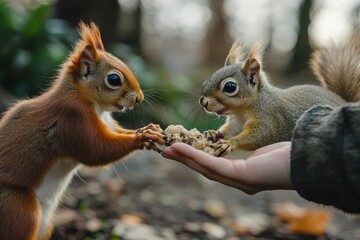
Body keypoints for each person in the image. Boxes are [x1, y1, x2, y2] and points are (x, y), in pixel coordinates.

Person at [162, 103, 360, 214]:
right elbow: (232, 127)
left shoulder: (262, 109)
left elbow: (257, 133)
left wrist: (233, 143)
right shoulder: (238, 112)